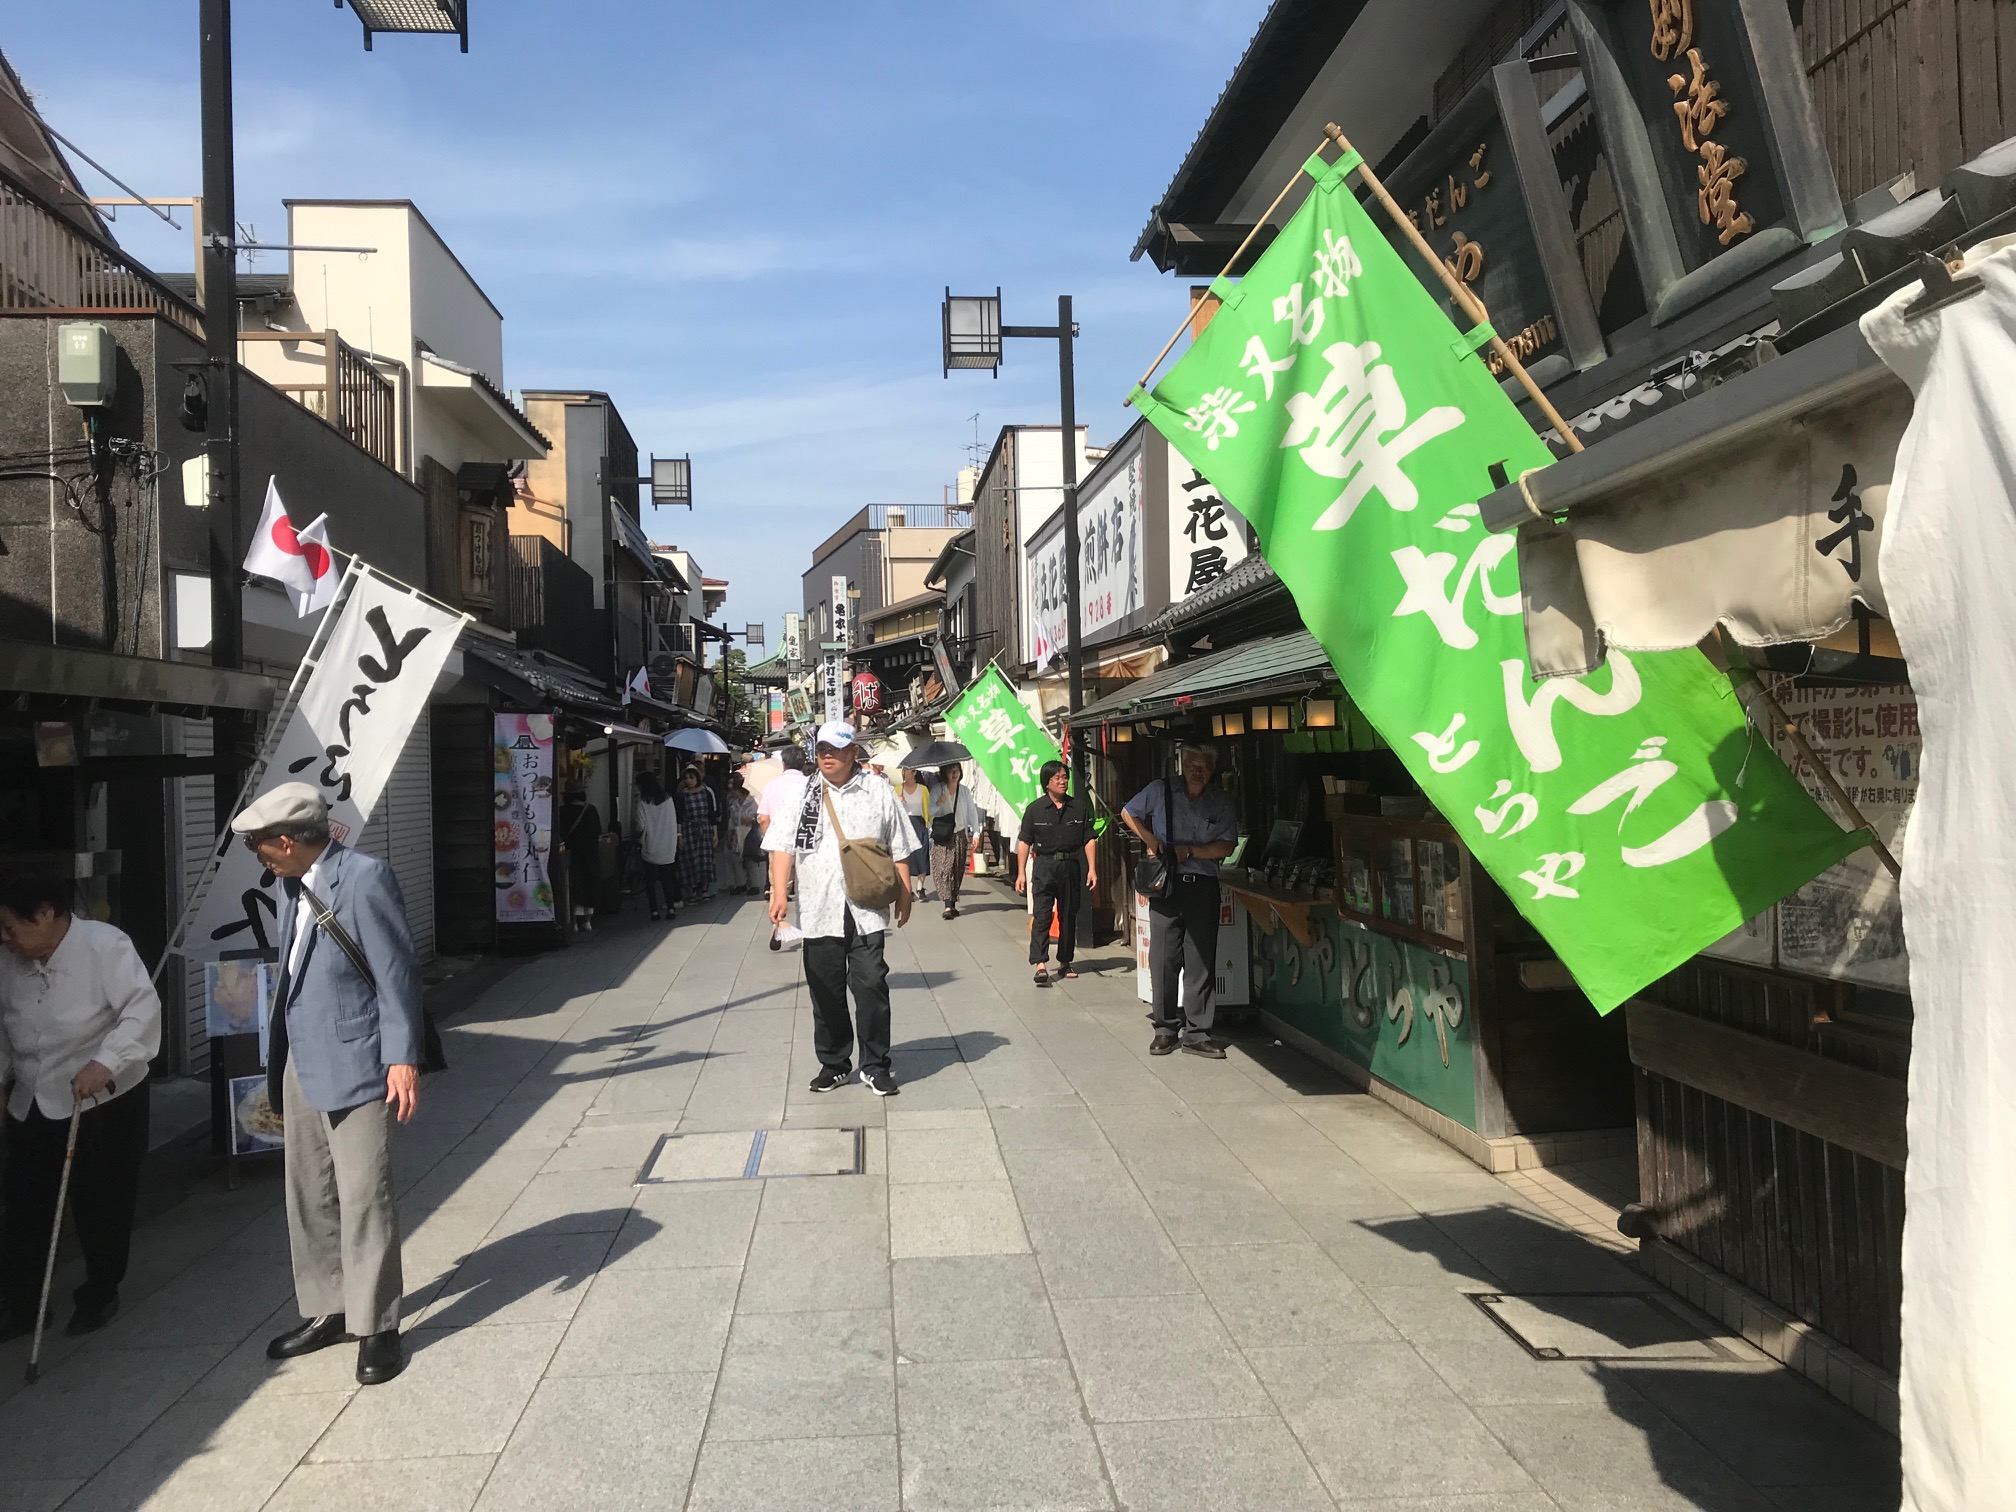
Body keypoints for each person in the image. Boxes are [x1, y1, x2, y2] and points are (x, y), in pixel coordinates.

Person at [230, 781, 423, 1386]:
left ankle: (377, 1324)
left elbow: (396, 973)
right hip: (298, 1061)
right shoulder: (294, 886)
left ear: (287, 841)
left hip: (359, 1058)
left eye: (260, 846)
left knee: (365, 1195)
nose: (258, 857)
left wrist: (402, 1057)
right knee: (308, 1194)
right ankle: (328, 1308)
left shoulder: (364, 878)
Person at [0, 871, 160, 1340]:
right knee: (25, 1203)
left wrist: (105, 1061)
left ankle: (99, 1291)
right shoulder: (9, 959)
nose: (5, 938)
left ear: (46, 913)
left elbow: (141, 1010)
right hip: (33, 1095)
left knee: (101, 1201)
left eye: (12, 926)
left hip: (101, 1095)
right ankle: (24, 1303)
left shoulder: (104, 945)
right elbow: (6, 1030)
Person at [765, 721, 915, 1096]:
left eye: (834, 749)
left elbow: (898, 844)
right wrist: (778, 891)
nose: (826, 755)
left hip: (866, 909)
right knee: (825, 990)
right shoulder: (804, 794)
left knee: (872, 985)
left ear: (853, 753)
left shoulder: (877, 790)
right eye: (821, 750)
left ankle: (875, 1064)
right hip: (818, 908)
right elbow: (782, 845)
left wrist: (906, 889)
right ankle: (834, 1062)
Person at [1121, 744, 1239, 1058]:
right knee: (1163, 960)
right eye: (1191, 765)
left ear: (1212, 770)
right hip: (1166, 886)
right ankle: (1164, 1029)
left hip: (1203, 886)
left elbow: (1227, 846)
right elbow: (1127, 812)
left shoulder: (1221, 801)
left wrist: (1191, 851)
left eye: (1203, 766)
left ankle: (1198, 1033)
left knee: (1201, 961)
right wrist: (1149, 839)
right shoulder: (1161, 790)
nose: (1196, 771)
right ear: (1182, 765)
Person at [1015, 761, 1099, 986]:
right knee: (1042, 915)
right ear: (1046, 783)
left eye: (1065, 777)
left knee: (1068, 915)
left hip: (1071, 866)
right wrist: (1021, 872)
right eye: (1057, 778)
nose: (1063, 781)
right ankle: (1040, 964)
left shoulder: (1078, 807)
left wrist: (1092, 868)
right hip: (1044, 867)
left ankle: (1065, 961)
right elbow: (1024, 841)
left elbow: (1089, 838)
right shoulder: (1035, 809)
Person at [926, 761, 982, 920]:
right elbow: (930, 811)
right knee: (944, 869)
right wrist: (939, 802)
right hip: (943, 835)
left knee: (957, 869)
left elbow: (972, 812)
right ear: (944, 772)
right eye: (951, 770)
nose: (954, 773)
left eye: (956, 770)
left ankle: (952, 901)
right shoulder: (938, 789)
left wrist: (976, 833)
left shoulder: (964, 791)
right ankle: (947, 904)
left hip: (959, 834)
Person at [755, 746, 810, 900]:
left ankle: (778, 920)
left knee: (778, 888)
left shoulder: (772, 785)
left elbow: (764, 818)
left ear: (784, 763)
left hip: (779, 842)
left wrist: (769, 837)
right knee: (807, 887)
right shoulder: (810, 785)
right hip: (806, 842)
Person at [634, 770, 680, 921]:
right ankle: (671, 908)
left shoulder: (642, 803)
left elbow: (641, 826)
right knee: (667, 878)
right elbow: (673, 821)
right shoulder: (668, 799)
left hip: (650, 845)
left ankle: (654, 910)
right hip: (667, 844)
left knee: (650, 880)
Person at [557, 788, 603, 934]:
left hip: (572, 854)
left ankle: (574, 922)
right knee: (590, 886)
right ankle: (587, 921)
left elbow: (560, 832)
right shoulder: (591, 810)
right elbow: (598, 831)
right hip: (590, 855)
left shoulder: (562, 811)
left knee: (573, 887)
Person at [674, 765, 720, 903]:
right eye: (686, 778)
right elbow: (679, 817)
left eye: (691, 777)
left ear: (698, 778)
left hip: (704, 829)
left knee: (705, 860)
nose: (689, 781)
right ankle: (692, 889)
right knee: (689, 860)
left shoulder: (706, 793)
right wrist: (679, 835)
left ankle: (704, 889)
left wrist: (715, 834)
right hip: (688, 830)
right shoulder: (681, 796)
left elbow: (712, 815)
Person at [719, 775, 760, 895]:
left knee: (750, 858)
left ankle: (754, 885)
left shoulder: (753, 801)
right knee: (735, 858)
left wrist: (751, 819)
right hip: (737, 833)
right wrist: (729, 834)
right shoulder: (734, 803)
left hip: (750, 833)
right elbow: (732, 820)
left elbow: (760, 816)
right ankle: (740, 883)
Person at [897, 767, 933, 902]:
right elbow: (892, 809)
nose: (904, 774)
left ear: (914, 773)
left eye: (907, 771)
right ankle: (908, 889)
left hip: (919, 823)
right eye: (903, 772)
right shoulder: (897, 789)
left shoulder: (923, 789)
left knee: (922, 855)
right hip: (904, 824)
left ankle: (920, 888)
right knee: (906, 857)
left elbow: (928, 808)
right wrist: (898, 801)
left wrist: (929, 823)